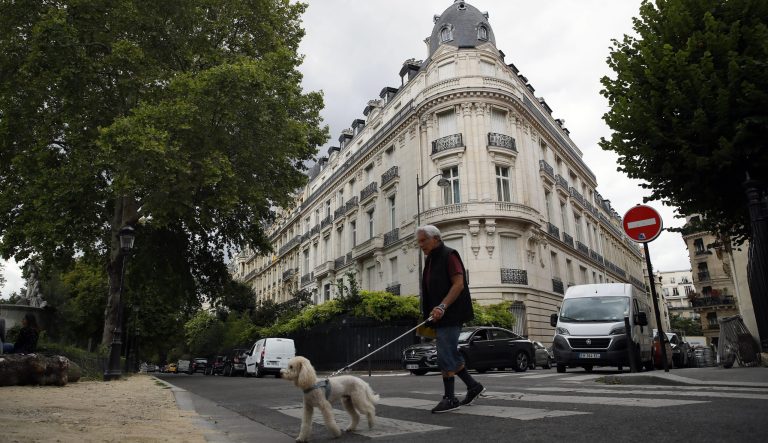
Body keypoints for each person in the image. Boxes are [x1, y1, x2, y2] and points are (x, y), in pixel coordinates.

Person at [417, 224, 484, 413]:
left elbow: (458, 284)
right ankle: (473, 386)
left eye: (423, 240)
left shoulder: (449, 254)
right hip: (439, 316)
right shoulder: (430, 260)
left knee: (445, 354)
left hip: (451, 313)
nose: (420, 245)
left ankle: (450, 398)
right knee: (448, 352)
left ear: (435, 238)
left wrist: (442, 306)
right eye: (419, 241)